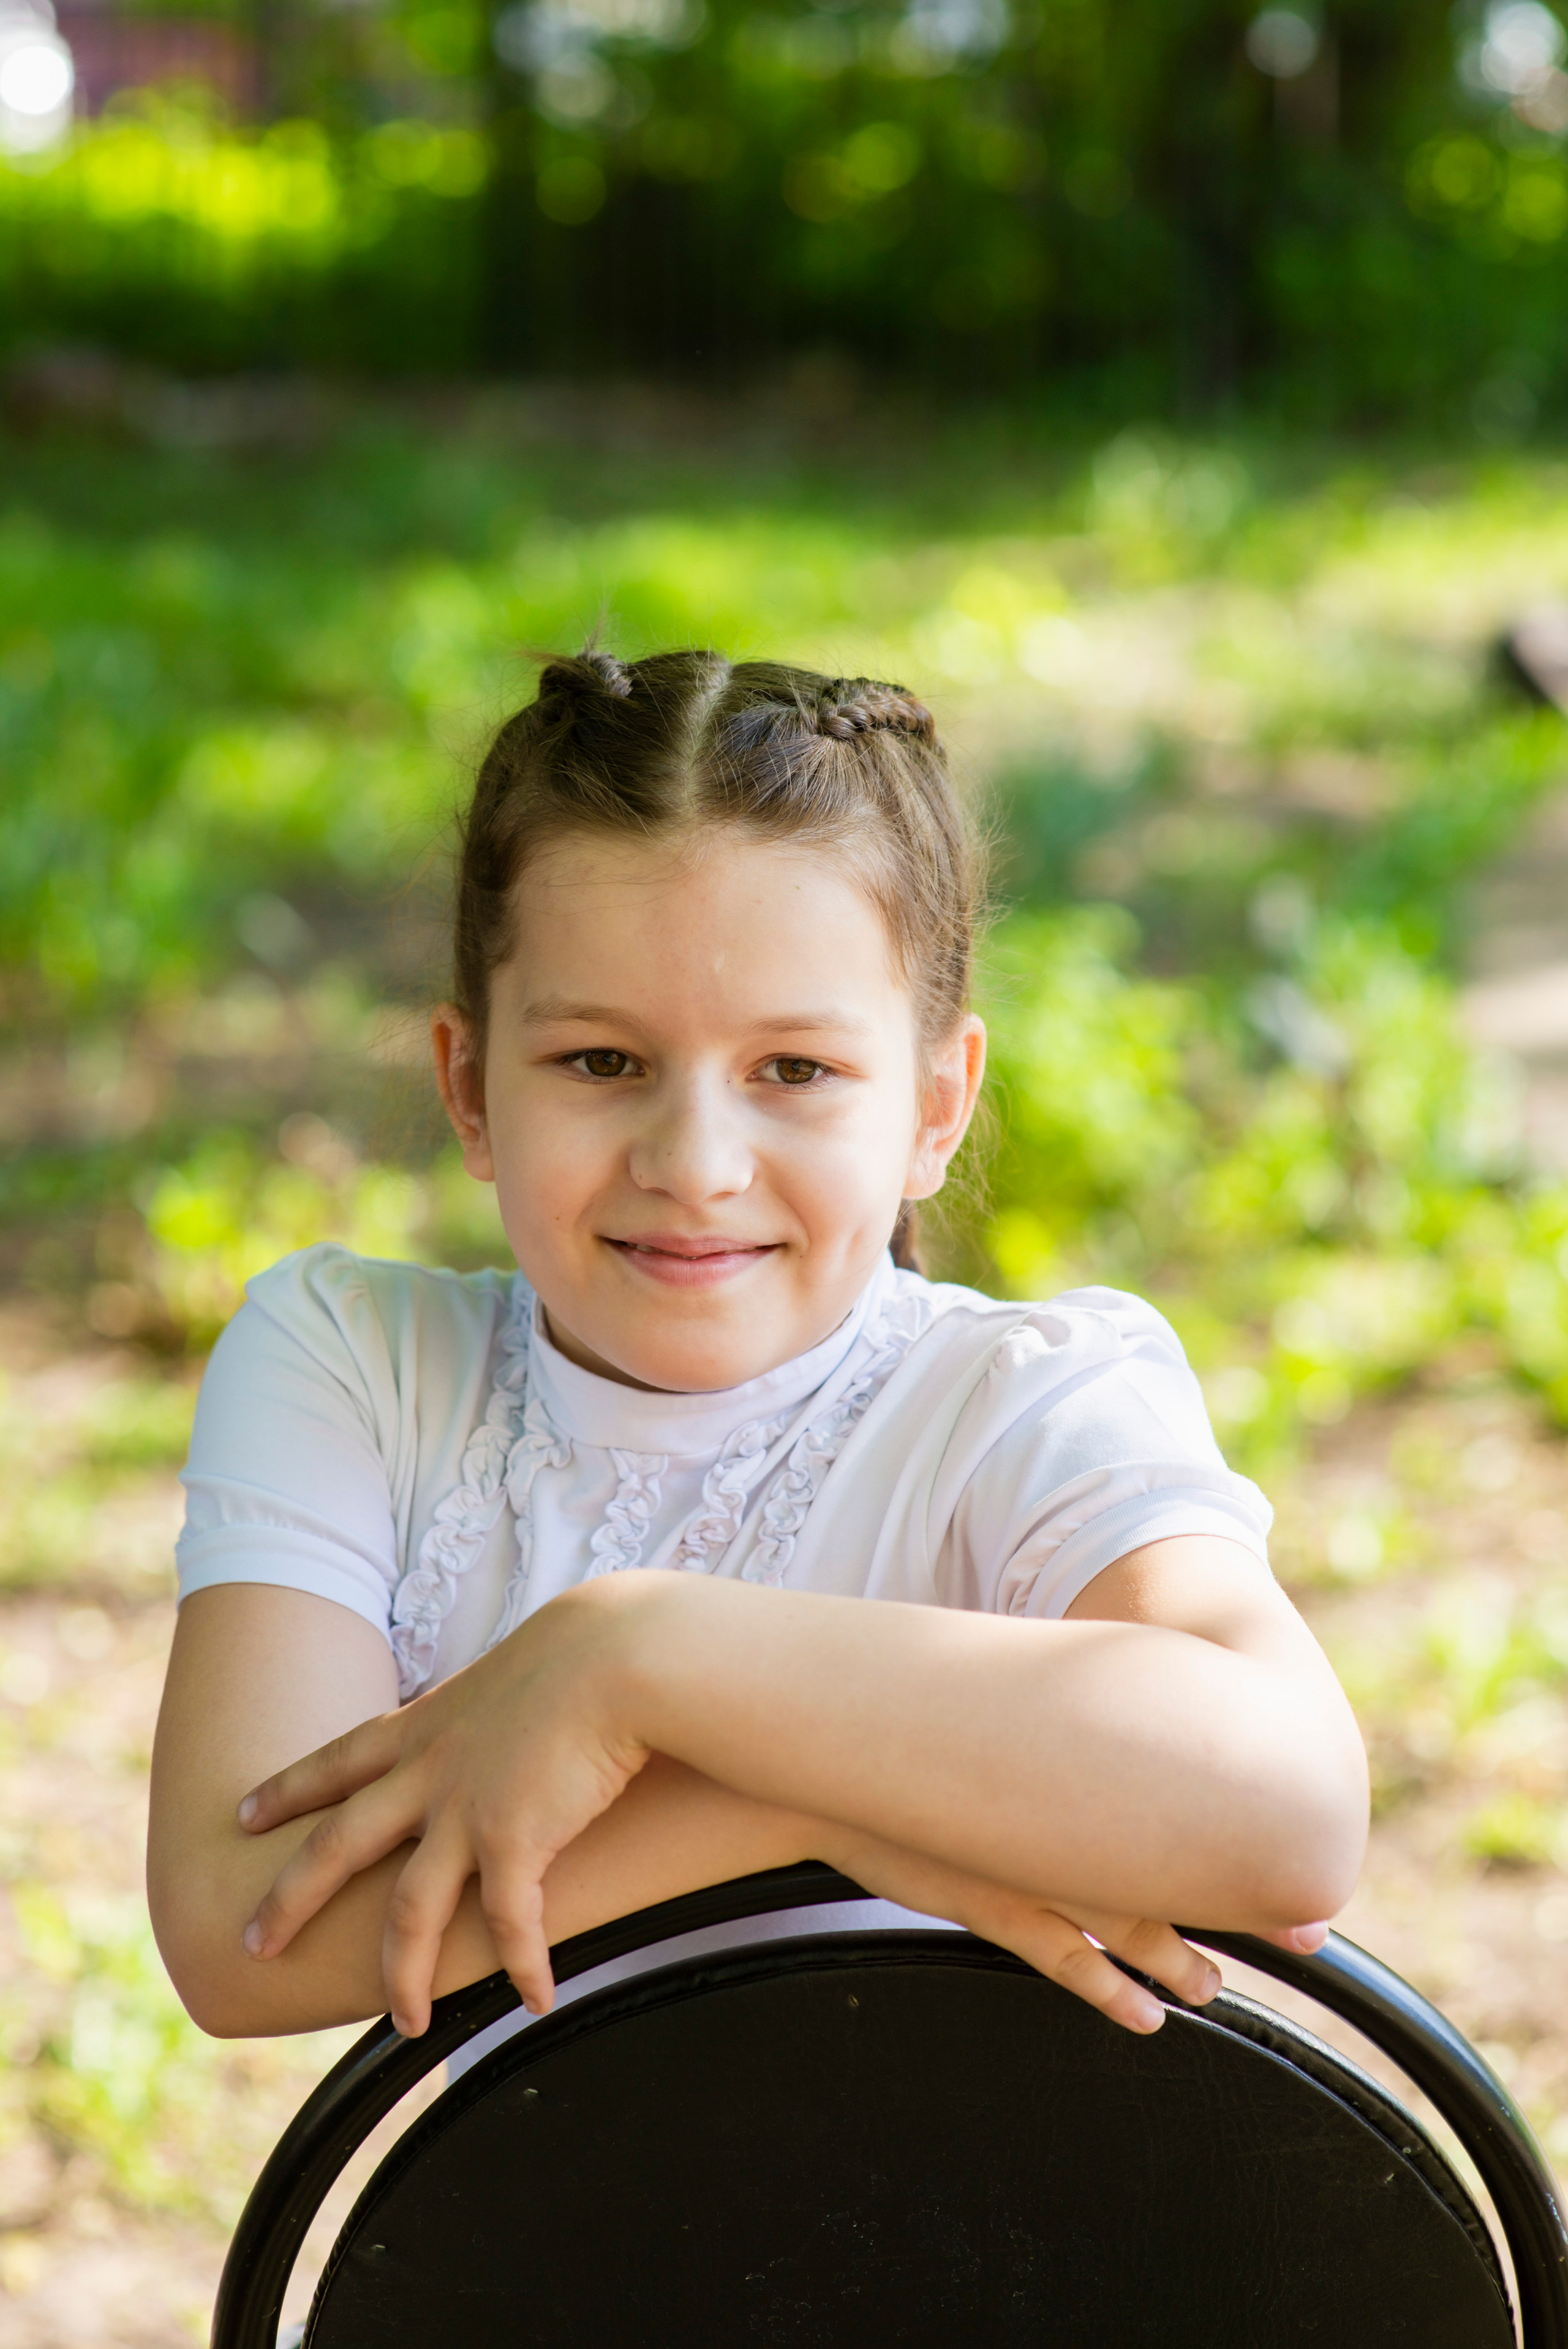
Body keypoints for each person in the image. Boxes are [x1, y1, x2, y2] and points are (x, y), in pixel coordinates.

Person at [148, 649, 1368, 2052]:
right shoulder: (356, 1368)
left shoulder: (1017, 1407)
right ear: (467, 1087)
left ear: (933, 1105)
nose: (695, 1163)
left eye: (792, 1070)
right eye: (602, 1063)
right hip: (512, 2250)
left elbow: (1289, 1809)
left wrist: (637, 1653)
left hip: (1010, 2240)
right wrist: (805, 1806)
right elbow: (241, 1931)